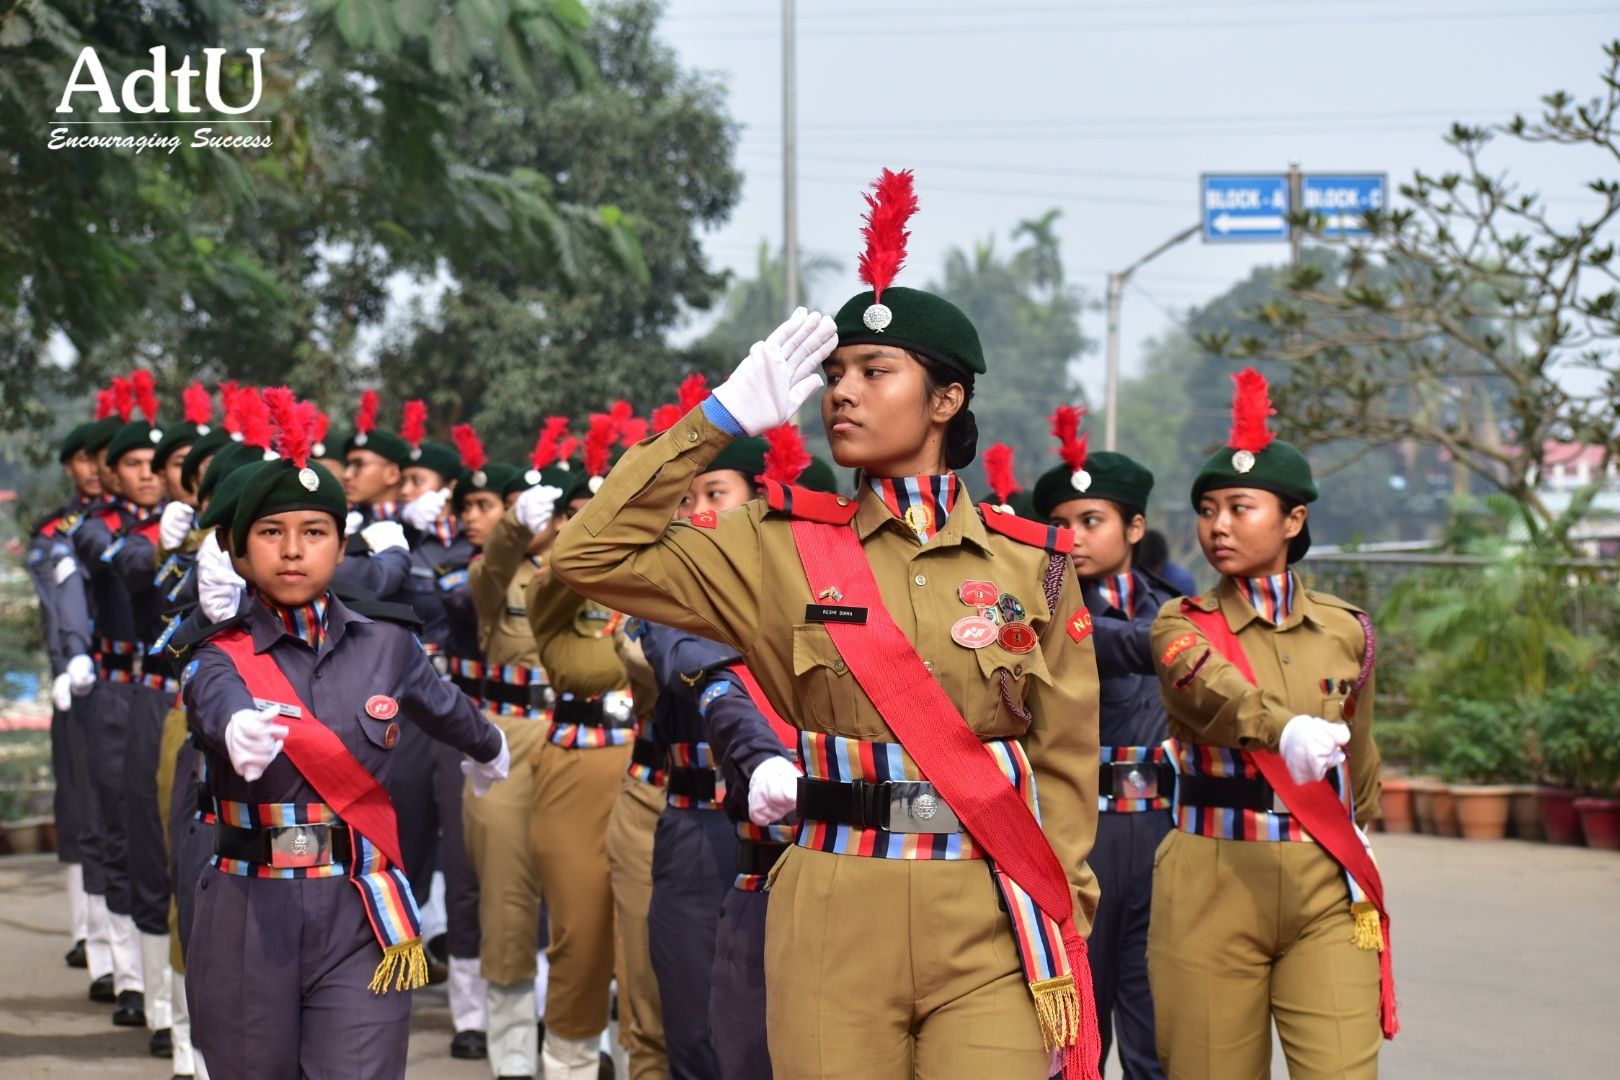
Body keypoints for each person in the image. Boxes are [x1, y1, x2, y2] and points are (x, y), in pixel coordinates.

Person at [550, 168, 1105, 1080]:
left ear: (946, 399)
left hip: (992, 907)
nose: (842, 392)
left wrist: (1064, 909)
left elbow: (1065, 759)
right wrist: (715, 420)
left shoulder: (1029, 562)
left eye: (875, 372)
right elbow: (590, 556)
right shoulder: (772, 545)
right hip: (834, 897)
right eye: (834, 373)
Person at [180, 390, 509, 1079]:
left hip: (359, 907)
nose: (294, 550)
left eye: (315, 531)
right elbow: (213, 697)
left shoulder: (386, 643)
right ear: (238, 553)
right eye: (271, 533)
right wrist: (236, 724)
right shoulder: (218, 653)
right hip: (249, 906)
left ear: (341, 541)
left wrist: (489, 746)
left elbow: (442, 705)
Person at [1147, 368, 1396, 1079]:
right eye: (1207, 508)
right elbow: (1207, 689)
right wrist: (1281, 730)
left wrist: (1366, 834)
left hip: (1325, 881)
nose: (1218, 525)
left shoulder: (1348, 630)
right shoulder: (1181, 622)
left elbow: (1363, 749)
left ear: (1293, 520)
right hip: (1212, 877)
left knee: (1344, 1068)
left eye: (1240, 507)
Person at [1033, 407, 1176, 1080]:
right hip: (1078, 833)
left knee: (1155, 1024)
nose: (1075, 537)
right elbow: (1108, 645)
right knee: (1075, 1032)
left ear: (1134, 528)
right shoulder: (1039, 610)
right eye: (1060, 524)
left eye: (1091, 521)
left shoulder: (1175, 608)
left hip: (1158, 829)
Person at [520, 436, 638, 1080]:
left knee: (643, 944)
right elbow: (571, 566)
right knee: (581, 936)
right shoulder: (553, 590)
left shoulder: (655, 582)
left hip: (648, 769)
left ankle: (636, 1062)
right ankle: (566, 1063)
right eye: (583, 515)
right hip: (576, 771)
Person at [1136, 529, 1197, 598]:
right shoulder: (1132, 574)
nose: (1148, 575)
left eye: (1152, 570)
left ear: (1161, 562)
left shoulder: (1182, 582)